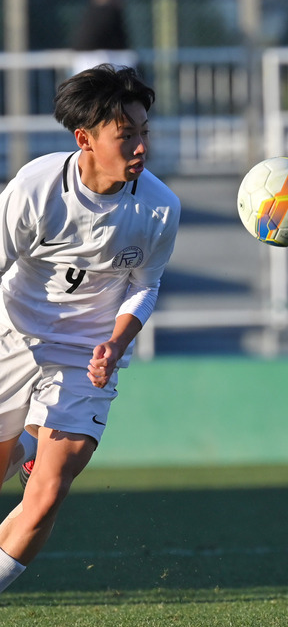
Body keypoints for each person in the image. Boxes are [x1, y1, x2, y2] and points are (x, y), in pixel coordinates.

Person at [0, 64, 179, 593]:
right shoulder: (37, 185)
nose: (141, 147)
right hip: (12, 337)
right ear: (86, 139)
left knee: (48, 492)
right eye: (127, 136)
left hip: (84, 358)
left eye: (143, 133)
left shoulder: (159, 206)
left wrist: (117, 342)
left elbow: (145, 286)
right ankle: (24, 446)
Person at [72, 0, 137, 74]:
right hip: (103, 57)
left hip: (84, 58)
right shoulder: (109, 13)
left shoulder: (90, 13)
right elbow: (119, 42)